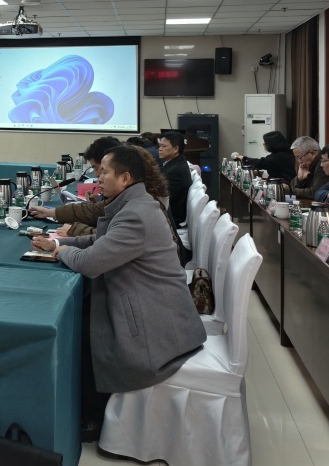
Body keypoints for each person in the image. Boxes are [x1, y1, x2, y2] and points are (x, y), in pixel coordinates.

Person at [31, 146, 205, 441]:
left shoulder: (136, 214)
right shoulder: (134, 203)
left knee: (83, 331)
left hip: (156, 325)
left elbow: (91, 263)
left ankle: (93, 414)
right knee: (84, 315)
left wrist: (61, 251)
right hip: (152, 304)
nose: (98, 178)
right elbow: (102, 241)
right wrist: (60, 242)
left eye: (104, 173)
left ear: (125, 178)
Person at [28, 136, 121, 237]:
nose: (97, 175)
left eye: (103, 171)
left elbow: (114, 236)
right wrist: (51, 212)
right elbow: (95, 211)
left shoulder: (129, 202)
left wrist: (74, 230)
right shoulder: (121, 195)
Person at [158, 131, 191, 227]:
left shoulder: (175, 172)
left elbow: (163, 200)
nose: (160, 149)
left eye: (164, 146)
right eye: (159, 146)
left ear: (176, 149)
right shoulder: (175, 164)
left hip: (170, 220)